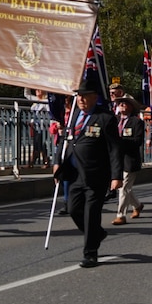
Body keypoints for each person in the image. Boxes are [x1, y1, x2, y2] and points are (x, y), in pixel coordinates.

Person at [54, 81, 123, 267]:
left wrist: (116, 176)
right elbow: (65, 140)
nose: (81, 99)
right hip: (75, 174)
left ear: (95, 97)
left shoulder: (105, 118)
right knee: (73, 208)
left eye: (85, 96)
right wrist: (56, 162)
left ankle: (90, 253)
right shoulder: (73, 115)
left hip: (96, 175)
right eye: (78, 96)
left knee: (91, 213)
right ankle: (97, 234)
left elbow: (114, 149)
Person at [111, 96, 145, 225]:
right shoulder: (114, 121)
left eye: (126, 103)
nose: (122, 105)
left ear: (131, 107)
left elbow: (137, 141)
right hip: (116, 159)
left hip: (129, 159)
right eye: (120, 103)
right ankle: (137, 205)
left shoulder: (136, 122)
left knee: (124, 187)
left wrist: (121, 142)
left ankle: (121, 215)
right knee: (125, 188)